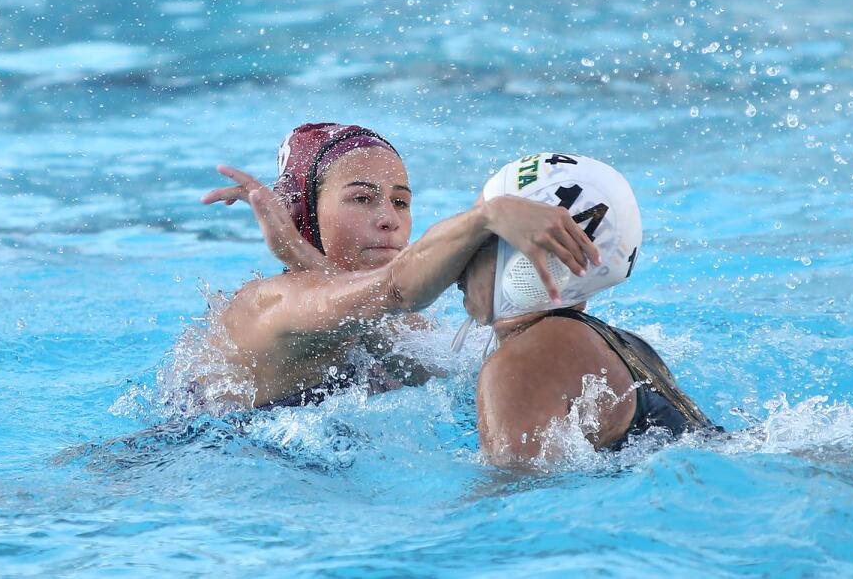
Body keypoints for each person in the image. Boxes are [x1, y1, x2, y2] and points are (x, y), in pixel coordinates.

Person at [183, 123, 601, 412]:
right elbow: (395, 290)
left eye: (400, 201)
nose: (389, 219)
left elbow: (452, 371)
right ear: (305, 212)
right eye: (362, 199)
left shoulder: (387, 321)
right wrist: (485, 218)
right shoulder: (269, 303)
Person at [453, 153, 723, 466]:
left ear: (532, 262)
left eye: (478, 236)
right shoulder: (624, 343)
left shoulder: (522, 364)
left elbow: (509, 500)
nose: (457, 256)